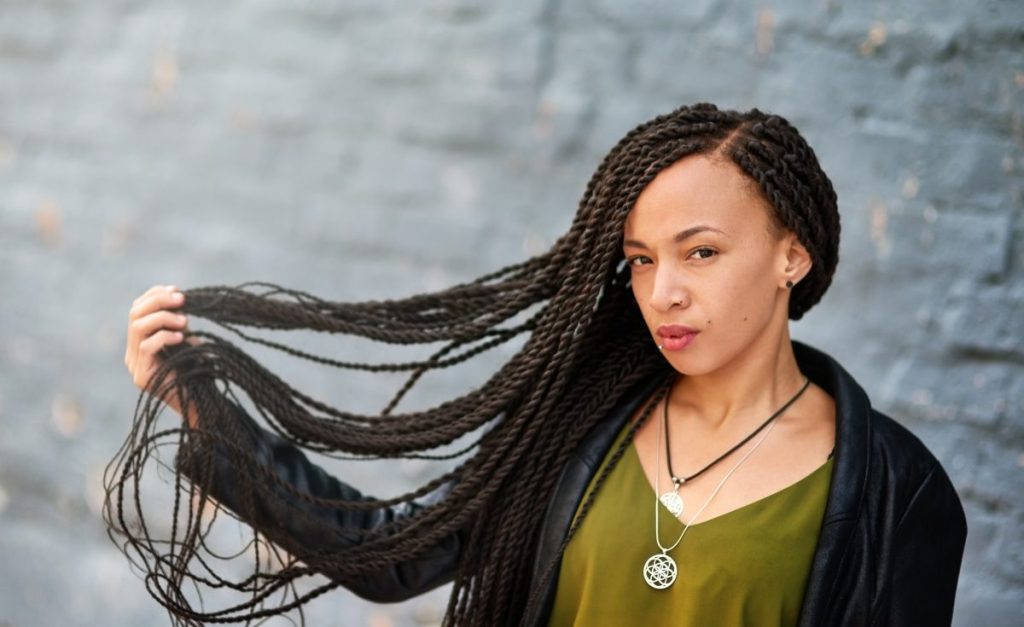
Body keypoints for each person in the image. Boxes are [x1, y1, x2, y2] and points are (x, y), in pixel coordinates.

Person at [117, 102, 967, 626]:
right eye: (639, 259)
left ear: (794, 255)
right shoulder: (577, 422)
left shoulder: (898, 491)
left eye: (700, 252)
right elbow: (391, 556)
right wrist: (206, 407)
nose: (662, 290)